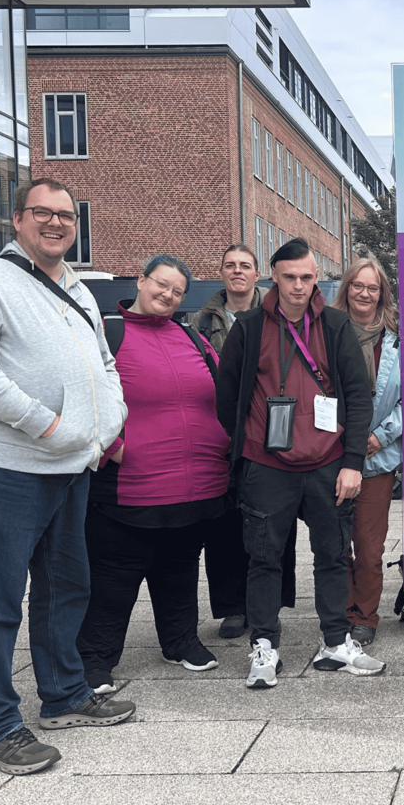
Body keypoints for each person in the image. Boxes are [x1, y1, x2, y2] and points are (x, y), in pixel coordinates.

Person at [0, 178, 135, 775]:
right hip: (11, 466)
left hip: (73, 465)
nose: (56, 225)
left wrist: (107, 425)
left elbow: (103, 363)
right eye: (43, 214)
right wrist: (46, 424)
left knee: (66, 587)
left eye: (66, 217)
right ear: (18, 220)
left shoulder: (76, 287)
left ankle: (64, 694)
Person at [216, 237, 384, 687]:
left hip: (329, 463)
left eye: (307, 277)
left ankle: (335, 642)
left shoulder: (336, 325)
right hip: (267, 466)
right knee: (264, 559)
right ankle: (266, 647)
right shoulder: (249, 327)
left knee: (332, 556)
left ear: (317, 278)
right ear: (274, 277)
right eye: (289, 277)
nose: (298, 286)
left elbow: (356, 395)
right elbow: (227, 397)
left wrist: (351, 462)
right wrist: (249, 444)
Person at [76, 255, 230, 694]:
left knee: (179, 569)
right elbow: (78, 392)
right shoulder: (109, 334)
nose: (167, 295)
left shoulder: (193, 337)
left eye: (177, 290)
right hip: (129, 488)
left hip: (194, 487)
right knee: (113, 578)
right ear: (141, 281)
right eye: (161, 284)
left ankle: (180, 642)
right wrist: (112, 447)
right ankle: (95, 661)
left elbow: (222, 395)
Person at [192, 243, 296, 641]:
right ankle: (232, 607)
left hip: (271, 433)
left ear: (258, 275)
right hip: (223, 434)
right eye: (230, 265)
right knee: (225, 525)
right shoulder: (201, 321)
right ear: (221, 273)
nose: (238, 271)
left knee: (273, 523)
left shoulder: (278, 316)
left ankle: (270, 603)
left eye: (245, 266)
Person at [333, 257, 402, 647]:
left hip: (377, 456)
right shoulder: (327, 330)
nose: (364, 293)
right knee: (334, 544)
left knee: (370, 546)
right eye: (357, 285)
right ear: (347, 288)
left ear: (382, 293)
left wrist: (380, 436)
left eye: (372, 287)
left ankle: (365, 616)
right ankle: (340, 612)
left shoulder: (397, 336)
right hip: (332, 455)